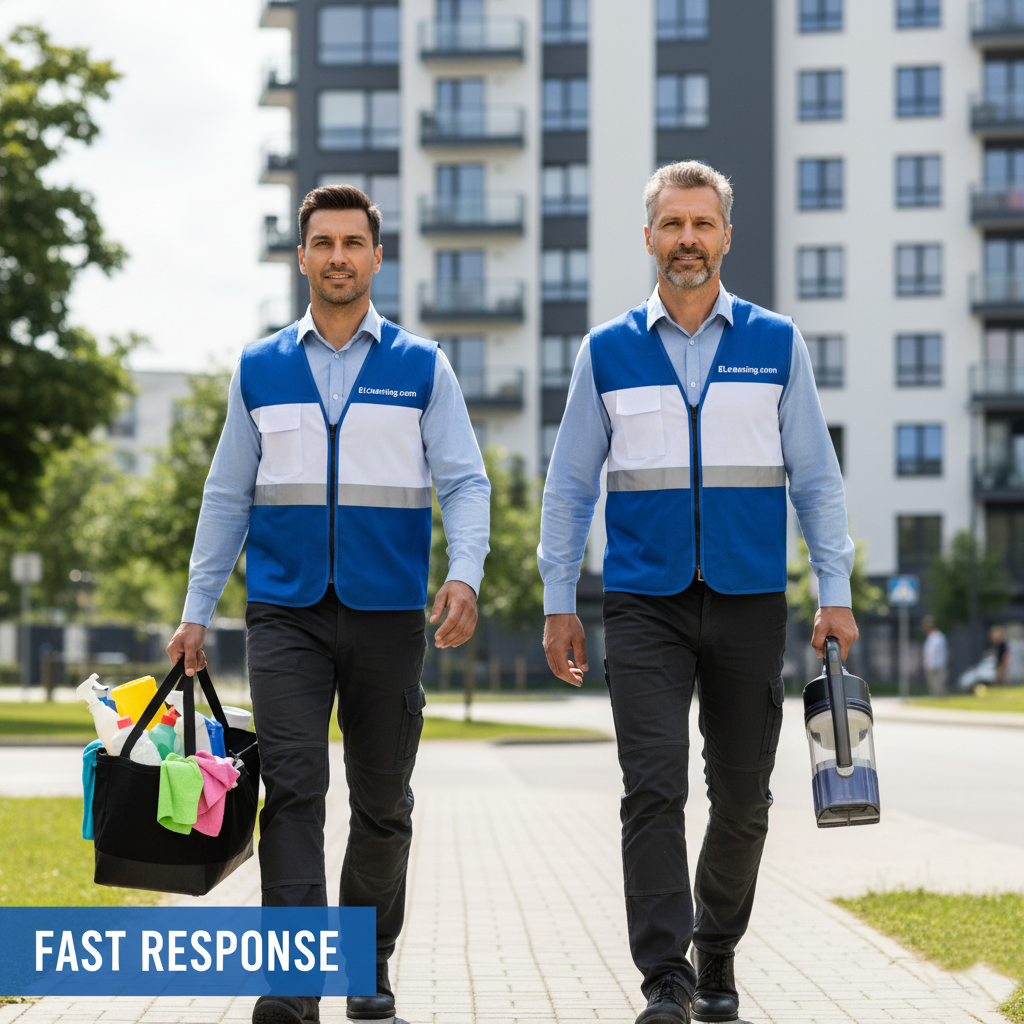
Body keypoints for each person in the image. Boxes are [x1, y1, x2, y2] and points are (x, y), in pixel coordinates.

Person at [538, 161, 858, 1024]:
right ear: (648, 238)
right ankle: (666, 980)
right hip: (643, 601)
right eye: (671, 224)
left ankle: (716, 944)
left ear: (726, 235)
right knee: (652, 786)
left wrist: (837, 588)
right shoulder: (605, 351)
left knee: (746, 794)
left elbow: (817, 479)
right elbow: (569, 486)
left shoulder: (776, 341)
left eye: (701, 224)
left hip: (752, 597)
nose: (687, 240)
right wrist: (557, 598)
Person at [166, 185, 490, 1024]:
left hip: (388, 614)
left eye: (354, 242)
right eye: (324, 243)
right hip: (285, 613)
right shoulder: (259, 367)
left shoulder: (423, 367)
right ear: (302, 256)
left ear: (377, 258)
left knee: (384, 800)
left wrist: (467, 571)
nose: (339, 256)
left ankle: (367, 961)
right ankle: (292, 982)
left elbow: (463, 478)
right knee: (296, 791)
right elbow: (226, 495)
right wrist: (197, 608)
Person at [921, 616, 947, 696]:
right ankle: (936, 696)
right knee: (933, 682)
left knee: (938, 682)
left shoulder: (937, 637)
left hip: (936, 663)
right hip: (932, 664)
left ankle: (939, 696)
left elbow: (932, 652)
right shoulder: (931, 638)